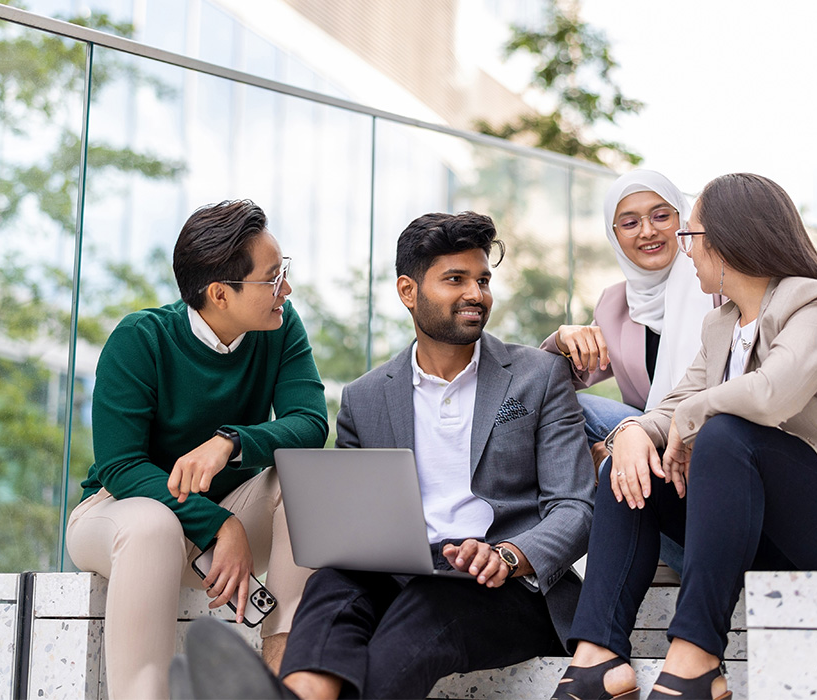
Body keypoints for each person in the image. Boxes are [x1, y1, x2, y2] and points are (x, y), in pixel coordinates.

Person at [555, 173, 817, 700]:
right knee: (630, 464)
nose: (685, 252)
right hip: (770, 538)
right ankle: (598, 657)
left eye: (690, 237)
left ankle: (696, 656)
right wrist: (630, 431)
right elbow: (673, 407)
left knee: (725, 435)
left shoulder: (815, 303)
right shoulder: (721, 324)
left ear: (726, 241)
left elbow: (772, 395)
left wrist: (686, 422)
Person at [177, 211, 595, 700]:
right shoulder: (366, 397)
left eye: (482, 280)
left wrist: (508, 555)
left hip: (510, 587)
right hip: (401, 574)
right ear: (408, 291)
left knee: (424, 607)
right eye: (455, 280)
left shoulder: (539, 377)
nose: (476, 294)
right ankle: (301, 691)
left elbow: (575, 508)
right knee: (332, 587)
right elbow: (354, 523)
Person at [65, 200, 329, 699]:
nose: (286, 290)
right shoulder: (141, 338)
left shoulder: (281, 327)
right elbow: (120, 466)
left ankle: (284, 679)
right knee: (152, 525)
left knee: (303, 480)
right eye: (272, 279)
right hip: (119, 517)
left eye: (283, 273)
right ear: (219, 294)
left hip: (219, 531)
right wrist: (218, 523)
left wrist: (230, 443)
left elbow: (311, 424)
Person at [541, 169, 719, 467]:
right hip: (646, 432)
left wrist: (619, 440)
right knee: (562, 406)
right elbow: (544, 382)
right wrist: (562, 341)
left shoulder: (715, 281)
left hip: (715, 427)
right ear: (615, 235)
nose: (647, 231)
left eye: (661, 216)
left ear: (683, 220)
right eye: (630, 223)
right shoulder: (615, 304)